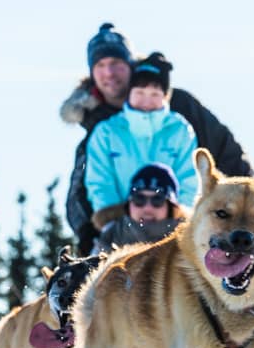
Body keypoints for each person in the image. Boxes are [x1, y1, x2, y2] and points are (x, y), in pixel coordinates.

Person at [61, 23, 254, 256]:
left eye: (117, 64)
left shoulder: (180, 112)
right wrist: (93, 233)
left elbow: (224, 154)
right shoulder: (100, 127)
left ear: (131, 66)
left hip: (179, 226)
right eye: (100, 65)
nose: (109, 73)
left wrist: (252, 202)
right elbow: (90, 185)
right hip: (121, 234)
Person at [84, 53, 197, 231]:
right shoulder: (107, 132)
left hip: (168, 224)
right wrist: (111, 221)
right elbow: (99, 180)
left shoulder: (179, 130)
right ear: (129, 93)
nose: (146, 100)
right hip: (123, 224)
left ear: (165, 96)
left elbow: (189, 178)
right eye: (139, 92)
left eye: (154, 94)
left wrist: (179, 218)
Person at [92, 163, 186, 255]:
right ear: (129, 203)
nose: (147, 208)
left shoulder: (187, 245)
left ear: (171, 207)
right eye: (139, 199)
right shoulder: (108, 238)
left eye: (157, 200)